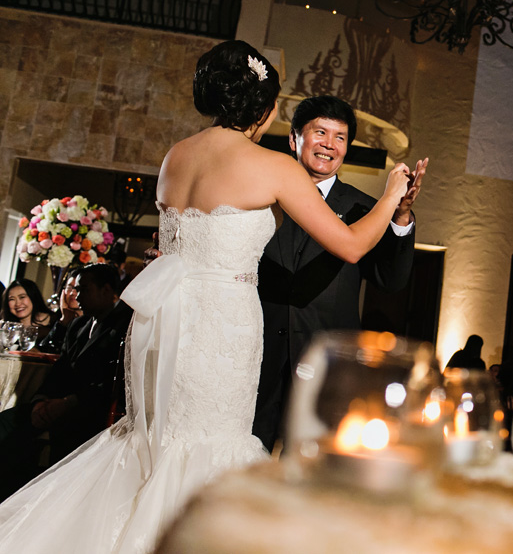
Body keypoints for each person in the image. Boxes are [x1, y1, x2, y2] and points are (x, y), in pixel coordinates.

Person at [0, 40, 411, 552]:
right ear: (263, 108)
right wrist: (393, 193)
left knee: (160, 440)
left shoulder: (178, 155)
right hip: (223, 327)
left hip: (164, 320)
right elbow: (350, 245)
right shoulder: (271, 166)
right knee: (209, 445)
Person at [253, 95, 426, 452]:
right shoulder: (261, 197)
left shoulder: (366, 208)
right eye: (320, 132)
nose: (329, 145)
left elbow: (390, 280)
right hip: (256, 354)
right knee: (243, 460)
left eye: (340, 137)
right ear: (294, 139)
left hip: (326, 365)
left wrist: (400, 215)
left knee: (308, 470)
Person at [0, 264, 134, 501]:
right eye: (74, 289)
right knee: (7, 424)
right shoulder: (78, 324)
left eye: (83, 289)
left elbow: (114, 381)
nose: (77, 296)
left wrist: (68, 402)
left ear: (106, 290)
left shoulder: (125, 325)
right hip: (58, 405)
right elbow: (60, 371)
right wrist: (41, 400)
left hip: (90, 411)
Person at [2, 279, 54, 343]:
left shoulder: (54, 322)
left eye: (22, 297)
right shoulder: (4, 326)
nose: (18, 304)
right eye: (12, 299)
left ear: (33, 297)